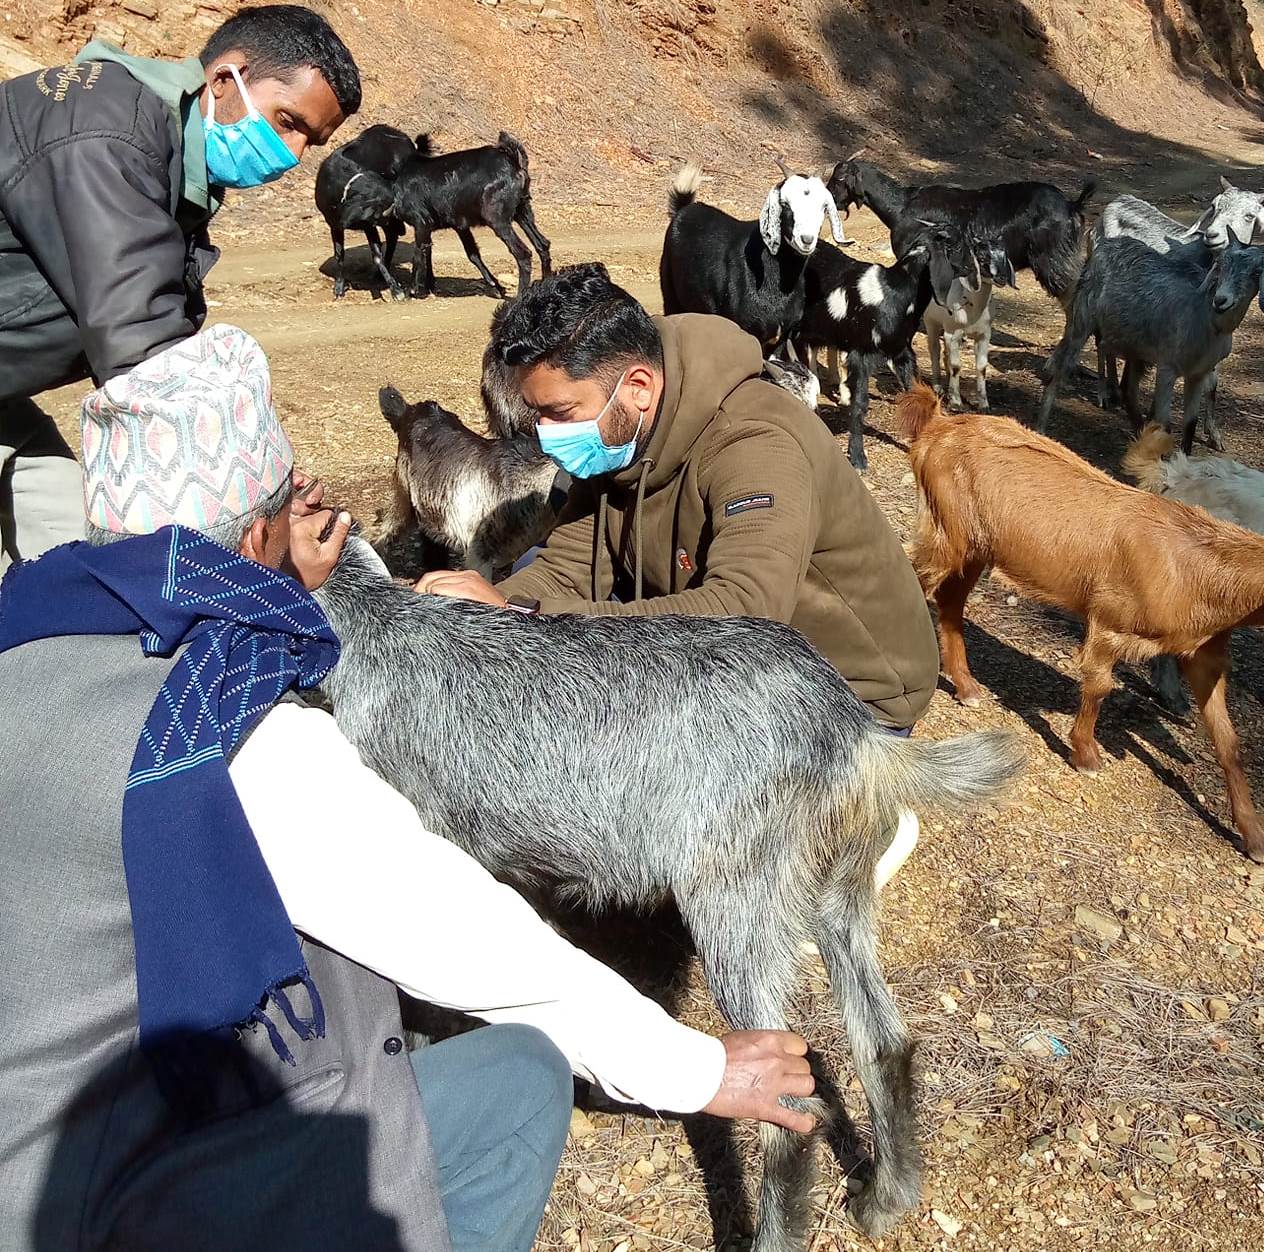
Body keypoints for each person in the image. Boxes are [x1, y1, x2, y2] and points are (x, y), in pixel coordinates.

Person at [0, 325, 817, 1252]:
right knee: (518, 1078)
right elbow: (453, 928)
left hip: (35, 1134)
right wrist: (694, 1067)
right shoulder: (221, 734)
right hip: (115, 1197)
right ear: (263, 532)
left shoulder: (24, 636)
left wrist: (273, 581)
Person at [415, 263, 941, 884]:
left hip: (846, 689)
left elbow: (746, 612)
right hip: (737, 670)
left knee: (682, 853)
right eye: (538, 416)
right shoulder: (617, 432)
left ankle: (860, 821)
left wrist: (529, 622)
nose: (547, 437)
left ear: (636, 386)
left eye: (558, 412)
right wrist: (489, 614)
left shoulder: (756, 441)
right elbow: (566, 567)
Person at [0, 4, 360, 570]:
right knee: (75, 585)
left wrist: (264, 465)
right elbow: (144, 351)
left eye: (311, 142)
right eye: (288, 122)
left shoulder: (166, 158)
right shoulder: (107, 135)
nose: (293, 156)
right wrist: (262, 501)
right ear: (223, 80)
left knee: (63, 546)